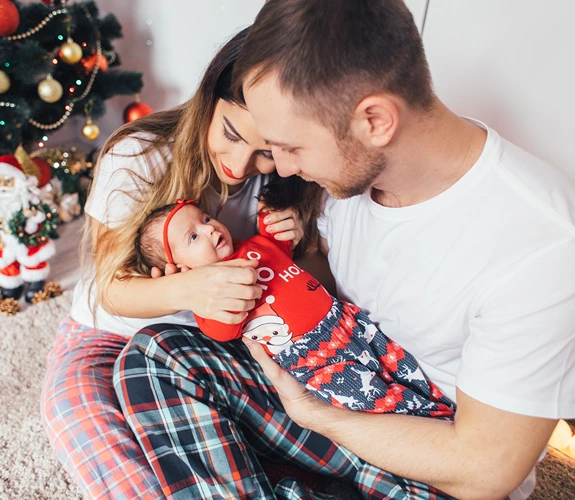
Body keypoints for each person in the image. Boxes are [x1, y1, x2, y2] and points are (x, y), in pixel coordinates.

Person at [114, 1, 575, 499]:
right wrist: (222, 282)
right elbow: (323, 285)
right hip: (323, 378)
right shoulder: (346, 178)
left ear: (374, 121)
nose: (280, 169)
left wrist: (317, 415)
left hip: (428, 458)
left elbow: (484, 471)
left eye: (289, 147)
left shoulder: (553, 245)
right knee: (153, 355)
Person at [40, 27, 352, 499]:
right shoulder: (139, 154)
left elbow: (317, 289)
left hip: (221, 346)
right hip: (109, 334)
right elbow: (110, 287)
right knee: (78, 414)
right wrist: (188, 290)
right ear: (208, 98)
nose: (241, 163)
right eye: (230, 133)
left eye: (266, 151)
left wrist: (294, 251)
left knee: (272, 437)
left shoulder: (289, 179)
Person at [134, 199, 455, 417]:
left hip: (344, 320)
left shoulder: (253, 245)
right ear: (181, 269)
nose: (210, 229)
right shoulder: (211, 293)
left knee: (400, 363)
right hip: (311, 356)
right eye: (193, 237)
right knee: (371, 398)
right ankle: (421, 421)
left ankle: (441, 408)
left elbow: (279, 242)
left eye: (205, 219)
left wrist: (270, 216)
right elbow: (221, 330)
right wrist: (189, 291)